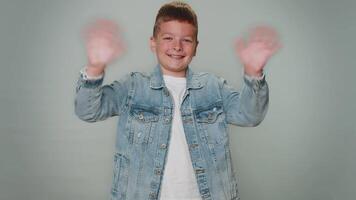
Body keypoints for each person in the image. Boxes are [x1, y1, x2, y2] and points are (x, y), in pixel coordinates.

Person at [75, 1, 280, 200]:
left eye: (186, 40)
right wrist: (95, 68)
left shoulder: (213, 87)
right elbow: (88, 111)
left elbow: (250, 115)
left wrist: (254, 73)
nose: (177, 46)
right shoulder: (133, 86)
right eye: (168, 38)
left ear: (196, 47)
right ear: (152, 42)